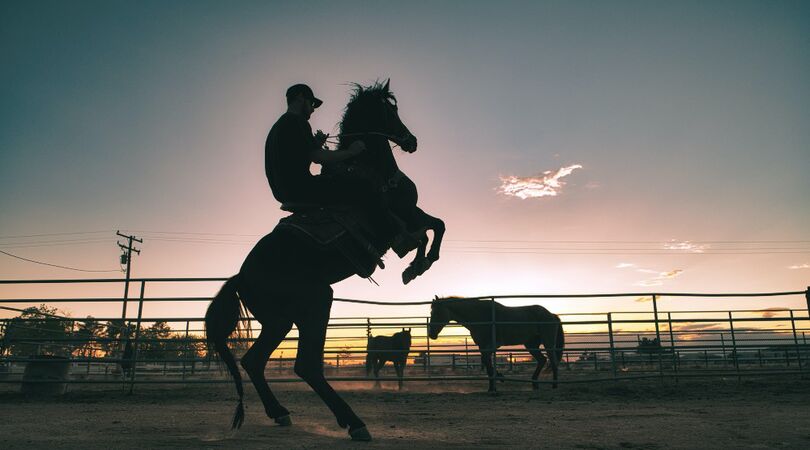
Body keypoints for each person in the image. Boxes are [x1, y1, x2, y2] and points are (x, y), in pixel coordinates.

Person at [265, 83, 405, 241]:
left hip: (284, 193)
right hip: (302, 188)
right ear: (300, 98)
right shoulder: (297, 121)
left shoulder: (277, 127)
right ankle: (395, 238)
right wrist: (351, 151)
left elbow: (293, 159)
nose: (312, 109)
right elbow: (318, 157)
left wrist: (315, 144)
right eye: (311, 104)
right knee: (364, 187)